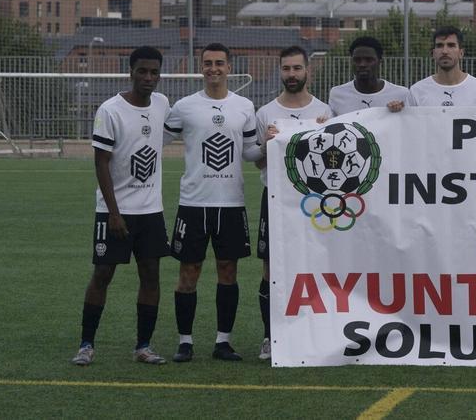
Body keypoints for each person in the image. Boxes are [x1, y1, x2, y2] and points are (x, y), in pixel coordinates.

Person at [72, 46, 171, 366]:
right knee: (103, 274)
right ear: (131, 72)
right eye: (142, 71)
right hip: (114, 212)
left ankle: (143, 346)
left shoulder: (162, 104)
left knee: (151, 276)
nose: (148, 77)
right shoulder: (110, 110)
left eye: (154, 72)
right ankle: (86, 345)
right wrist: (113, 213)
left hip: (150, 211)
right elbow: (101, 162)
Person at [164, 43, 261, 363]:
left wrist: (272, 145)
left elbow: (250, 152)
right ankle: (185, 342)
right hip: (193, 203)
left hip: (231, 203)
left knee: (228, 271)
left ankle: (223, 342)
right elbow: (158, 138)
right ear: (201, 67)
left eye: (219, 63)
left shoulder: (244, 106)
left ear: (229, 67)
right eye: (208, 63)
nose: (213, 68)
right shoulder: (184, 107)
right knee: (188, 272)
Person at [254, 46, 332, 361]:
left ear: (307, 71)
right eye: (286, 68)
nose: (291, 74)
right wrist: (266, 145)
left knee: (316, 265)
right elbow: (258, 163)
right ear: (280, 71)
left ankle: (316, 333)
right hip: (275, 199)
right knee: (270, 268)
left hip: (314, 201)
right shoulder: (265, 113)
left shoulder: (324, 111)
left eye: (297, 68)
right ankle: (269, 336)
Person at [406, 26, 476, 107]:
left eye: (451, 45)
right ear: (433, 53)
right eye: (439, 46)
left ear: (461, 53)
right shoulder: (417, 91)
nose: (445, 51)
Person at [328, 36, 410, 115]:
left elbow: (410, 122)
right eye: (357, 60)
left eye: (369, 60)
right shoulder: (337, 94)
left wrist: (399, 114)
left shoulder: (401, 95)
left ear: (380, 62)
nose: (362, 64)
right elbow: (328, 122)